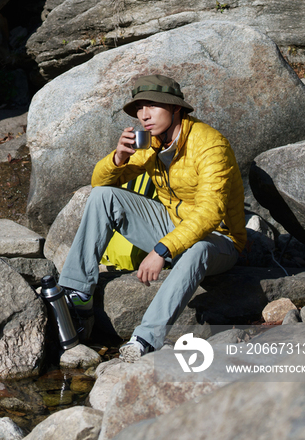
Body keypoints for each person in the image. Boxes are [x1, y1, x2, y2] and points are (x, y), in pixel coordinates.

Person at [58, 74, 247, 362]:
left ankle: (145, 339)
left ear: (176, 109)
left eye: (153, 106)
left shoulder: (210, 145)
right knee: (103, 197)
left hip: (219, 239)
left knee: (196, 248)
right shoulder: (151, 143)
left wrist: (162, 250)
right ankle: (76, 293)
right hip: (173, 224)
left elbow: (211, 213)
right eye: (139, 109)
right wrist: (118, 158)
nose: (143, 116)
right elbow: (100, 185)